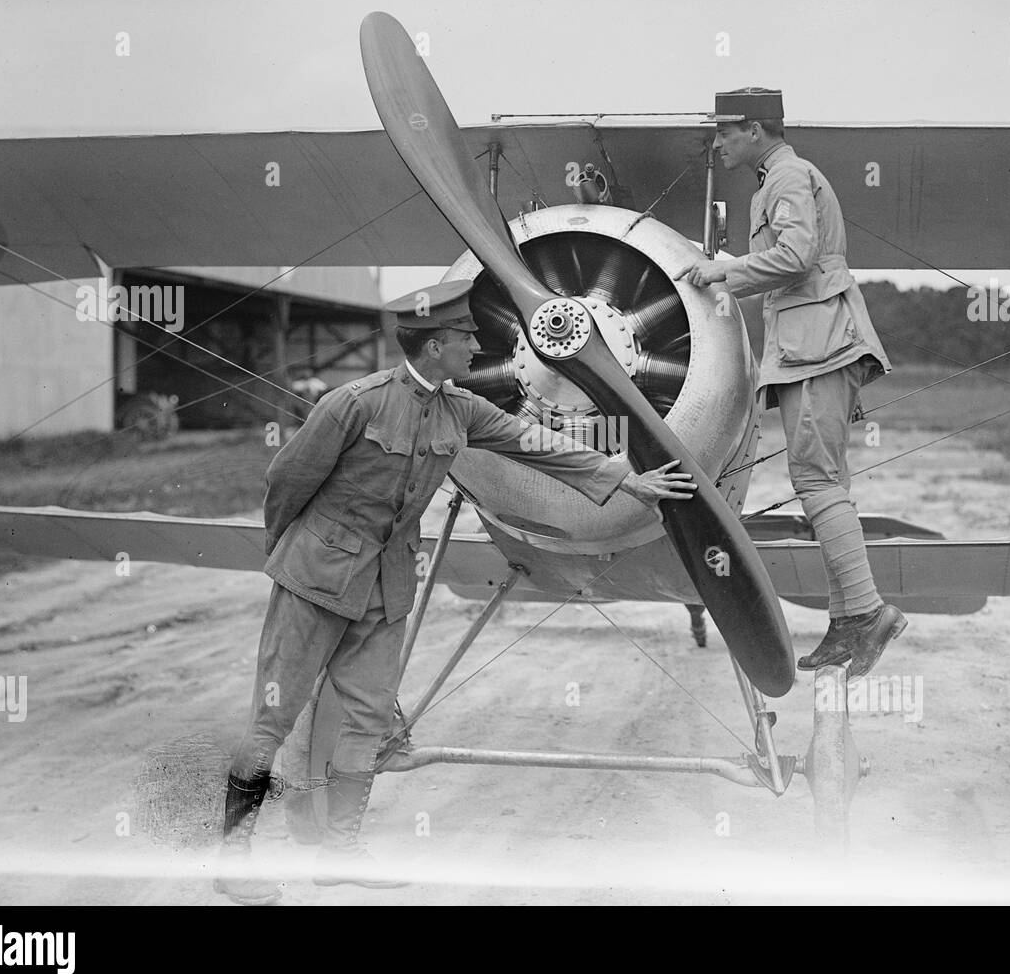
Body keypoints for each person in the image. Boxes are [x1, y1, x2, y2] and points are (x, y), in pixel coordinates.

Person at [215, 279, 696, 904]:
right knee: (272, 719)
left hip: (385, 590)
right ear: (435, 343)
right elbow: (286, 481)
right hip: (315, 580)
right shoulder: (352, 404)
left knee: (367, 717)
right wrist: (295, 558)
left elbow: (536, 444)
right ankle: (232, 859)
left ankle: (339, 850)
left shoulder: (458, 409)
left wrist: (626, 481)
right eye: (467, 337)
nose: (477, 346)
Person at [675, 87, 907, 683]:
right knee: (824, 484)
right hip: (813, 348)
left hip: (818, 350)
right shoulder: (778, 179)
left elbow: (797, 256)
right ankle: (847, 618)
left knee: (820, 484)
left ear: (755, 129)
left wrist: (724, 270)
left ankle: (867, 612)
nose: (718, 142)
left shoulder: (785, 178)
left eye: (725, 131)